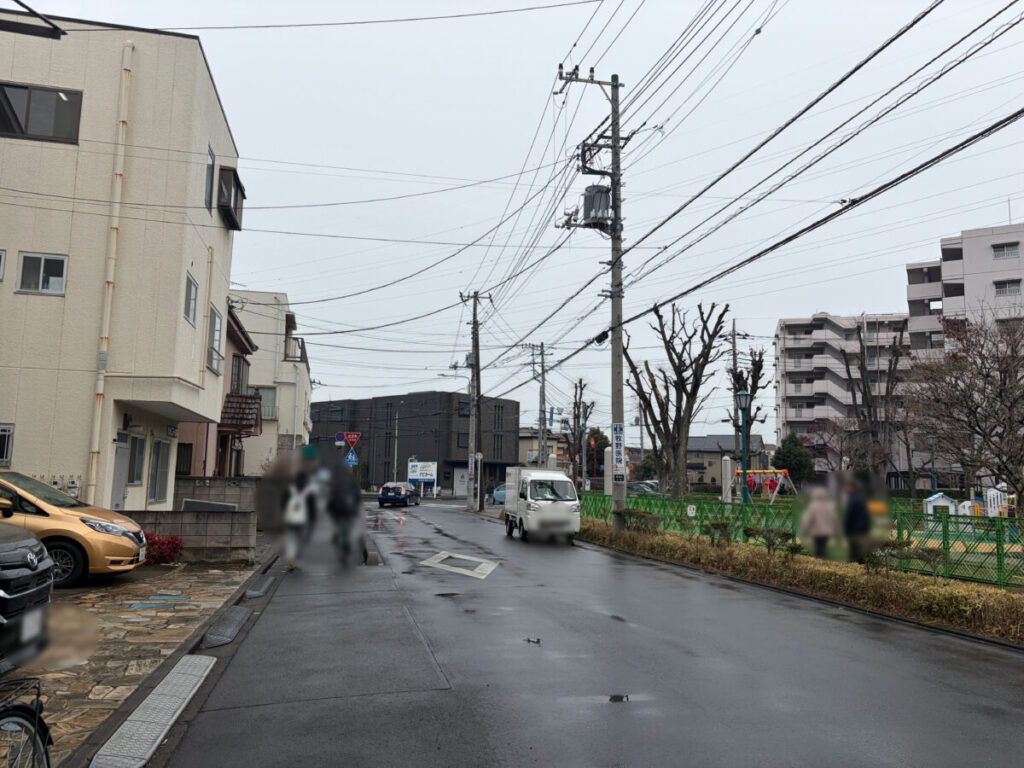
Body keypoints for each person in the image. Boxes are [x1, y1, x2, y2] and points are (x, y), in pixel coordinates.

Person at [800, 487, 839, 558]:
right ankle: (824, 560)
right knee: (823, 547)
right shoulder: (830, 506)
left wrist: (804, 532)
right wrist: (836, 531)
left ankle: (821, 561)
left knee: (818, 549)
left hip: (817, 532)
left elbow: (807, 520)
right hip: (827, 532)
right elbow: (834, 519)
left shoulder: (813, 506)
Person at [843, 478, 871, 564]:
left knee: (853, 553)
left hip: (854, 530)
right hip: (862, 529)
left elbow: (849, 515)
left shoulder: (852, 499)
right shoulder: (860, 498)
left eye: (846, 487)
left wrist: (845, 529)